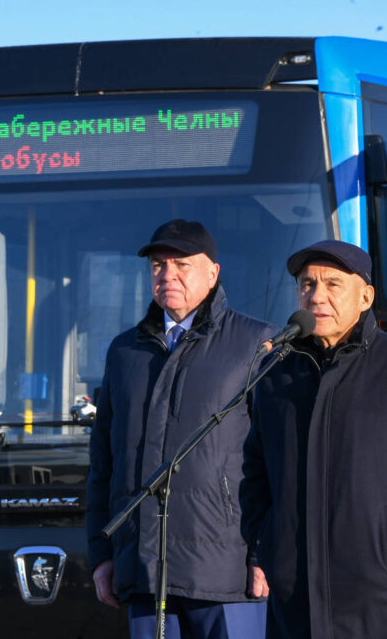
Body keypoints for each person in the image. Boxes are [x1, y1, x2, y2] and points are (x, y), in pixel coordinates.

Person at [240, 239, 387, 639]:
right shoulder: (275, 372)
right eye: (307, 284)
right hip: (296, 599)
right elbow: (256, 469)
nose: (316, 296)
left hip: (382, 599)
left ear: (365, 297)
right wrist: (267, 541)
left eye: (332, 284)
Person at [86, 219, 273, 639]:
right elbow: (103, 463)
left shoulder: (256, 344)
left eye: (182, 264)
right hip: (143, 571)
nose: (167, 275)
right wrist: (101, 553)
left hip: (227, 575)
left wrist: (265, 553)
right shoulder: (124, 352)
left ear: (213, 273)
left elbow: (278, 460)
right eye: (158, 265)